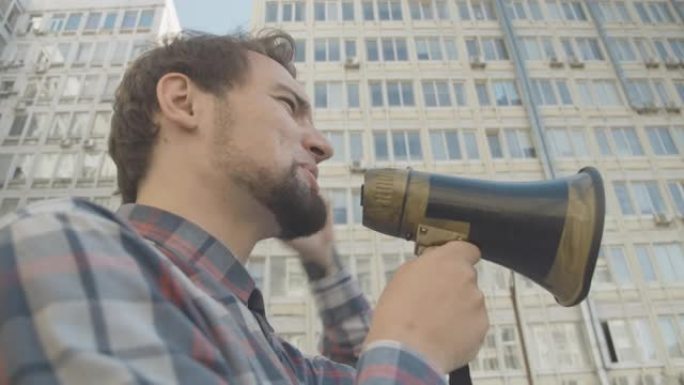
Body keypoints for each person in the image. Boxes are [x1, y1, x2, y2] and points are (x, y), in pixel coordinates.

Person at [0, 30, 488, 384]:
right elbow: (393, 362)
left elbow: (366, 372)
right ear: (183, 102)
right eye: (288, 105)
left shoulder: (265, 350)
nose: (321, 144)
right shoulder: (65, 246)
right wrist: (412, 347)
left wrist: (325, 266)